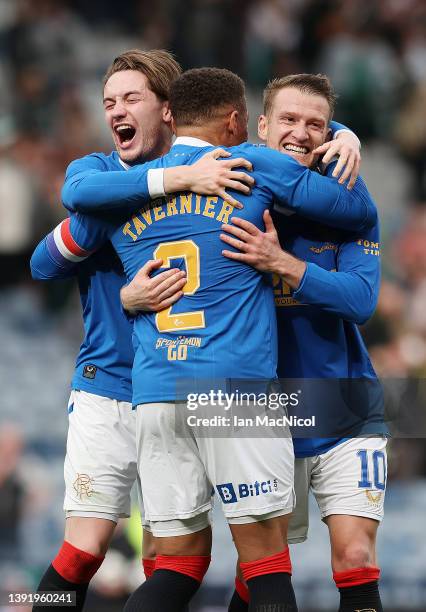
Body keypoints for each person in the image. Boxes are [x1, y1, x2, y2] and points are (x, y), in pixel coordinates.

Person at [48, 66, 377, 612]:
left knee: (169, 565)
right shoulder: (250, 165)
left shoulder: (116, 191)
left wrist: (121, 290)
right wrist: (341, 138)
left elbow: (44, 259)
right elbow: (357, 211)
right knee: (266, 564)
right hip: (236, 389)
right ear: (238, 122)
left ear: (170, 114)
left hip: (151, 395)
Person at [29, 49, 255, 612]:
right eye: (109, 102)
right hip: (107, 387)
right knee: (83, 552)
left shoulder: (222, 166)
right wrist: (123, 296)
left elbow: (287, 131)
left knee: (182, 557)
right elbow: (44, 259)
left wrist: (345, 134)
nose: (116, 112)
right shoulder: (100, 175)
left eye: (131, 98)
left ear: (169, 108)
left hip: (185, 390)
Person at [220, 74, 387, 612]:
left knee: (356, 557)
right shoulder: (226, 195)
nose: (301, 133)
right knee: (260, 572)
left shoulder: (350, 207)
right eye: (287, 120)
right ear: (261, 126)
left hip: (346, 407)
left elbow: (361, 301)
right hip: (260, 415)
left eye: (316, 125)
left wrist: (282, 264)